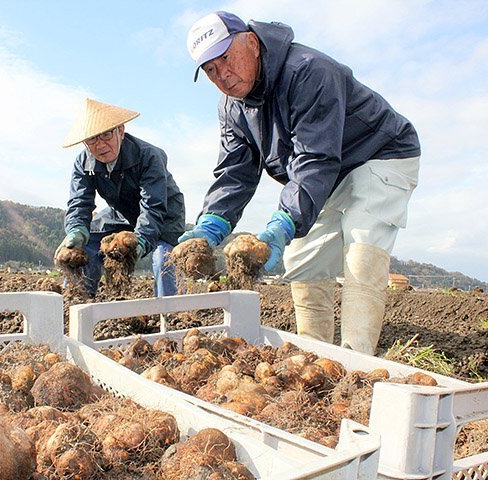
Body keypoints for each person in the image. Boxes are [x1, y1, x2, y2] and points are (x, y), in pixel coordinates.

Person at [182, 12, 420, 355]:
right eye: (210, 70)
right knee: (304, 257)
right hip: (324, 174)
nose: (223, 76)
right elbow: (235, 170)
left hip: (378, 153)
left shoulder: (308, 70)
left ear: (251, 42)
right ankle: (316, 356)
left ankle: (358, 361)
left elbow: (315, 157)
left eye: (225, 59)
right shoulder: (232, 107)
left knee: (363, 243)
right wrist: (211, 224)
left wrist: (284, 220)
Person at [56, 98, 185, 297]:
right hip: (120, 213)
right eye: (92, 139)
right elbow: (79, 202)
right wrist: (76, 229)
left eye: (106, 134)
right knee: (86, 247)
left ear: (121, 131)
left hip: (164, 213)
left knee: (163, 259)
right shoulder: (83, 163)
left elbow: (152, 206)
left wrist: (141, 241)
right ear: (84, 142)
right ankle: (73, 304)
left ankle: (171, 315)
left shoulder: (149, 156)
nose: (100, 145)